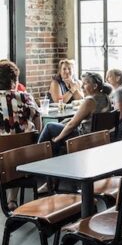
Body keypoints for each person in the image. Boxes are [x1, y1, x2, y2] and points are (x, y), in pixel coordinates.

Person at [0, 60, 40, 211]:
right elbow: (38, 124)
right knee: (16, 154)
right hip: (23, 158)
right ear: (15, 80)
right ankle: (12, 200)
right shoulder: (26, 98)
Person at [38, 72, 112, 154]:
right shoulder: (105, 96)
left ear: (95, 86)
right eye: (82, 83)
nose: (82, 87)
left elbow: (72, 124)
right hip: (100, 136)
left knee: (49, 127)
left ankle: (37, 155)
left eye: (85, 83)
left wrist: (58, 138)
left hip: (84, 137)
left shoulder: (90, 101)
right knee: (63, 125)